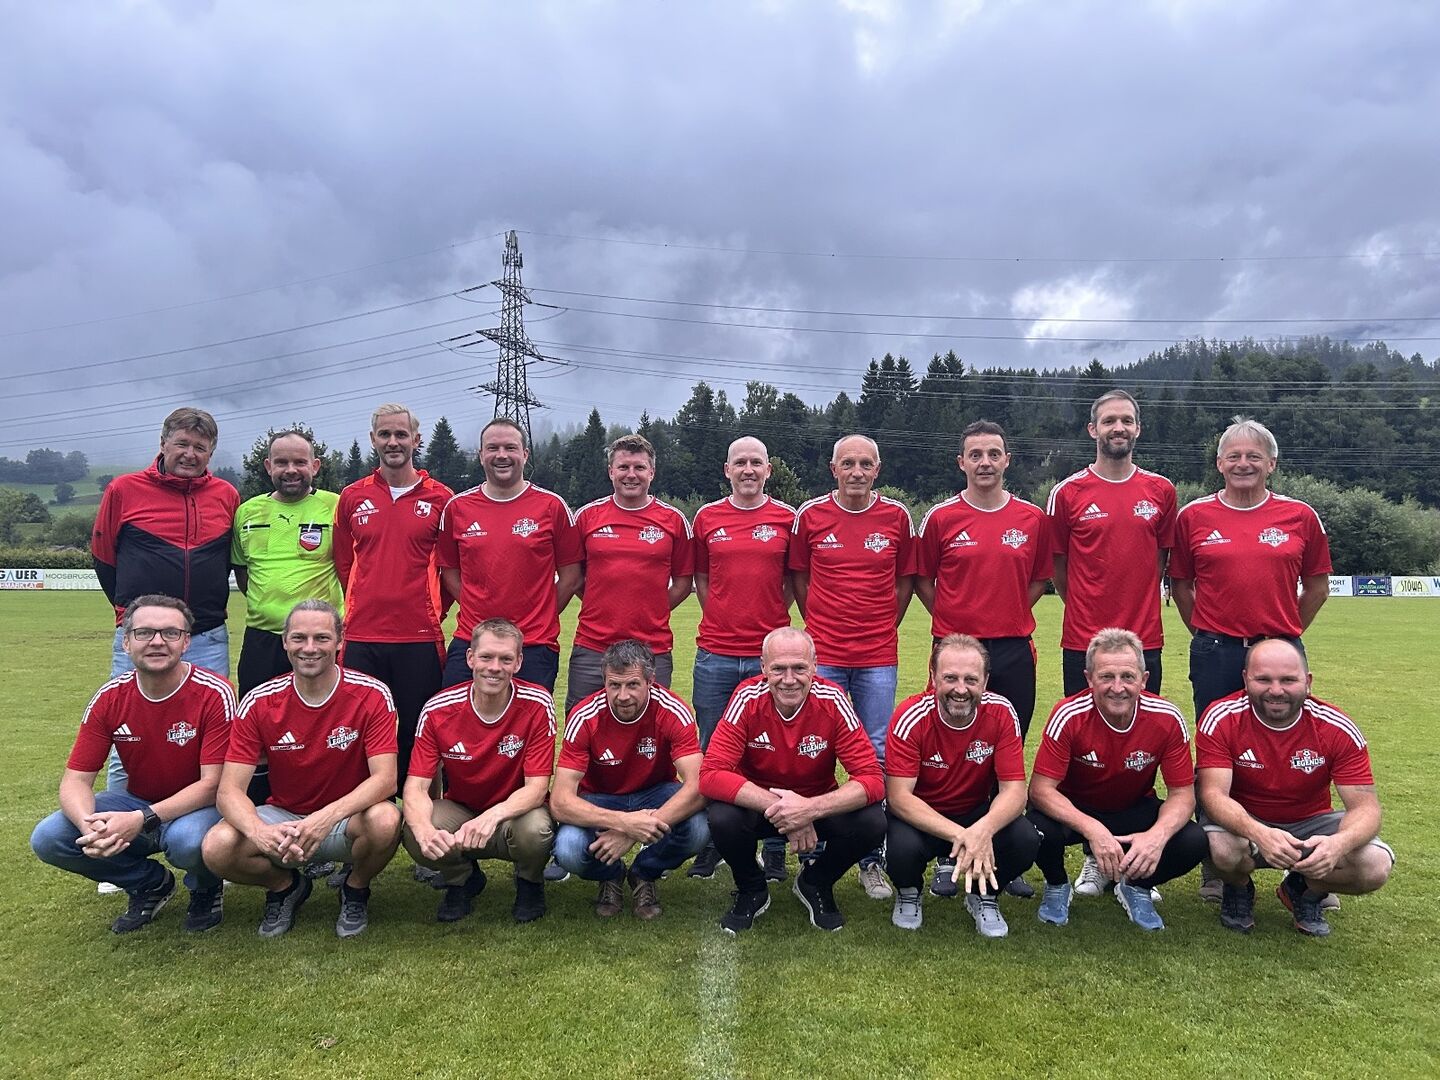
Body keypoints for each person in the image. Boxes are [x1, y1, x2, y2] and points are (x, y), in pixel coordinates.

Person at [31, 595, 235, 933]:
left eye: (170, 632)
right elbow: (75, 781)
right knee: (50, 837)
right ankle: (150, 883)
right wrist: (89, 828)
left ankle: (204, 887)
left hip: (201, 806)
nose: (157, 641)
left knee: (188, 841)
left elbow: (213, 783)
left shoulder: (215, 692)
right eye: (144, 632)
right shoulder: (110, 697)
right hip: (137, 801)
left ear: (186, 642)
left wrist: (140, 819)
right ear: (126, 642)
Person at [202, 601, 402, 939]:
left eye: (322, 638)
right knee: (217, 847)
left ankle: (355, 888)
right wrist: (258, 832)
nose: (310, 648)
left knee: (386, 820)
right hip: (284, 817)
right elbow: (229, 790)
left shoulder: (372, 693)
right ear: (284, 642)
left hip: (346, 819)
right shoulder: (260, 701)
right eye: (299, 638)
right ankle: (285, 887)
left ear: (341, 641)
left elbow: (385, 779)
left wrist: (324, 818)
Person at [790, 433, 916, 900]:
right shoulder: (811, 516)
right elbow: (800, 578)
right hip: (825, 655)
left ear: (877, 469)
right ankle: (812, 841)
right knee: (815, 749)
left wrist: (883, 625)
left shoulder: (897, 517)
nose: (857, 471)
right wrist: (818, 627)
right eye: (849, 463)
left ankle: (870, 856)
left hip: (877, 656)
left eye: (866, 463)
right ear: (834, 468)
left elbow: (904, 583)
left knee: (876, 752)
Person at [1197, 639, 1392, 936]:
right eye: (1263, 679)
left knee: (1375, 866)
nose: (1276, 690)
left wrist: (1338, 844)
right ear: (1246, 678)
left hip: (1310, 824)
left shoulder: (1336, 727)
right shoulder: (1221, 717)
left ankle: (1303, 889)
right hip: (1245, 823)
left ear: (1308, 681)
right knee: (1218, 848)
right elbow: (1212, 795)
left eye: (1288, 680)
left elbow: (1366, 807)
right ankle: (1238, 888)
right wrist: (1259, 833)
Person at [700, 627, 886, 934]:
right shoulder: (747, 697)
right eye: (778, 669)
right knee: (722, 816)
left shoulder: (833, 699)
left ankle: (815, 882)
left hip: (816, 807)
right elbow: (710, 774)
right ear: (763, 668)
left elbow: (872, 779)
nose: (789, 679)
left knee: (872, 822)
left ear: (815, 665)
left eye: (799, 668)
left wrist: (810, 809)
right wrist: (787, 810)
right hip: (761, 808)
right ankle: (751, 888)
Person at [1026, 629, 1206, 931]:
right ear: (1089, 678)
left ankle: (1135, 885)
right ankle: (1057, 884)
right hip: (1077, 810)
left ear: (1144, 679)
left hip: (1133, 807)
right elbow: (1041, 790)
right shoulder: (1068, 714)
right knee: (1034, 830)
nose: (1118, 687)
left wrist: (1156, 837)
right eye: (1106, 676)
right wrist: (1092, 829)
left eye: (1128, 676)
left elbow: (1182, 795)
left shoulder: (1167, 717)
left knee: (1194, 840)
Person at [1170, 416, 1332, 728]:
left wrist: (1285, 633)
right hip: (1215, 653)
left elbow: (1318, 589)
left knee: (1282, 737)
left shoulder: (1301, 516)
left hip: (1281, 649)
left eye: (1254, 456)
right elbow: (1181, 587)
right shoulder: (1192, 516)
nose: (1243, 464)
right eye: (1234, 456)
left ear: (1271, 463)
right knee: (1214, 737)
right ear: (1220, 463)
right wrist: (1208, 634)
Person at [688, 435, 796, 882]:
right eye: (740, 463)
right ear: (727, 470)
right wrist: (725, 618)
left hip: (766, 658)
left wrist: (769, 626)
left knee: (772, 753)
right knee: (715, 750)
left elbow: (792, 581)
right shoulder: (707, 517)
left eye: (757, 462)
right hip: (715, 654)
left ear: (768, 469)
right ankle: (717, 840)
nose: (748, 469)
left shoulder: (788, 518)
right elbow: (701, 579)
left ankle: (773, 845)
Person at [400, 618, 555, 924]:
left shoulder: (538, 704)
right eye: (486, 657)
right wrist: (423, 831)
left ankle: (529, 882)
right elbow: (416, 787)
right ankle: (462, 880)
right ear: (470, 658)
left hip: (515, 813)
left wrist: (492, 816)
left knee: (536, 830)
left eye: (505, 659)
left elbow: (537, 787)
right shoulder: (437, 709)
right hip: (462, 810)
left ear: (519, 662)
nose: (494, 667)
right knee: (416, 828)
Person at [884, 635, 1040, 937]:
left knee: (1024, 838)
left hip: (975, 813)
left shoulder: (1002, 712)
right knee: (899, 849)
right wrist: (964, 836)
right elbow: (899, 798)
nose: (960, 689)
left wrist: (983, 829)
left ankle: (983, 896)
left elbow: (1015, 791)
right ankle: (909, 892)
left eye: (971, 679)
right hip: (923, 817)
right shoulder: (910, 716)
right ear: (933, 677)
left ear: (985, 681)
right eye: (950, 678)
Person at [333, 403, 454, 787]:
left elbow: (451, 569)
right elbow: (344, 564)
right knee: (359, 730)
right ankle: (371, 816)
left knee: (422, 730)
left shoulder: (442, 498)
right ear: (373, 440)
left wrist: (433, 609)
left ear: (416, 440)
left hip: (418, 636)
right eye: (385, 434)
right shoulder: (352, 497)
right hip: (362, 635)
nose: (393, 442)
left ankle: (422, 814)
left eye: (401, 434)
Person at [552, 640, 707, 920]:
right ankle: (611, 875)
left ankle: (643, 873)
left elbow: (698, 786)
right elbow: (560, 802)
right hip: (601, 798)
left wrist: (633, 830)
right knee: (568, 849)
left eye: (633, 685)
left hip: (655, 793)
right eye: (614, 685)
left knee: (700, 827)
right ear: (604, 682)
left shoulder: (672, 709)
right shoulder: (584, 715)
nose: (623, 696)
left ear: (651, 681)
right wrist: (624, 823)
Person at [916, 421, 1051, 742]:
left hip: (1013, 647)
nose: (985, 462)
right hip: (955, 646)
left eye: (993, 454)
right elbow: (922, 579)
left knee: (1010, 738)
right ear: (961, 462)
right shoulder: (940, 517)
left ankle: (1004, 795)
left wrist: (1010, 610)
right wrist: (951, 615)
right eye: (975, 455)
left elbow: (1039, 580)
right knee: (950, 738)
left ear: (1007, 459)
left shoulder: (1032, 518)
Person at [92, 408, 239, 683]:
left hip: (207, 637)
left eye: (200, 447)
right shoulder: (123, 490)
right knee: (132, 720)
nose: (190, 454)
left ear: (211, 453)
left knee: (210, 720)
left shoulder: (227, 495)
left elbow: (227, 559)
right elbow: (103, 558)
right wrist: (131, 613)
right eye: (182, 444)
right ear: (163, 444)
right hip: (142, 635)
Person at [437, 417, 582, 693]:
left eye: (510, 448)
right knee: (455, 725)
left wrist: (541, 613)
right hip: (472, 639)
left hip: (534, 643)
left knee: (529, 731)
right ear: (481, 455)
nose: (501, 455)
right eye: (492, 448)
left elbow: (571, 576)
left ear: (525, 454)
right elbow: (450, 574)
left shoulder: (552, 507)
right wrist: (477, 608)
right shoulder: (457, 508)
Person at [1046, 390, 1175, 696]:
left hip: (1143, 640)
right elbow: (1057, 565)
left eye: (1127, 420)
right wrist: (1085, 604)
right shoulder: (1066, 493)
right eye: (1109, 421)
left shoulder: (1162, 491)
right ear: (1093, 429)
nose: (1119, 427)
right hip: (1083, 640)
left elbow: (1159, 558)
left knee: (1143, 735)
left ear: (1138, 429)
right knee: (1082, 736)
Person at [567, 433, 694, 712]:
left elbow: (684, 583)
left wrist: (653, 606)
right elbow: (573, 577)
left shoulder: (673, 520)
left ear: (652, 472)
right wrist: (599, 602)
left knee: (651, 733)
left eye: (639, 467)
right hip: (593, 645)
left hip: (653, 647)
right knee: (581, 727)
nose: (631, 475)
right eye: (623, 467)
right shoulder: (587, 517)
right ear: (611, 471)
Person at [231, 430, 344, 698]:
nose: (291, 470)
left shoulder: (336, 506)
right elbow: (242, 570)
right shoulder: (247, 511)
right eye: (281, 462)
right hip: (262, 637)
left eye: (300, 462)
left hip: (319, 637)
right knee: (256, 715)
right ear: (269, 466)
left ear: (314, 467)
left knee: (325, 716)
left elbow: (352, 568)